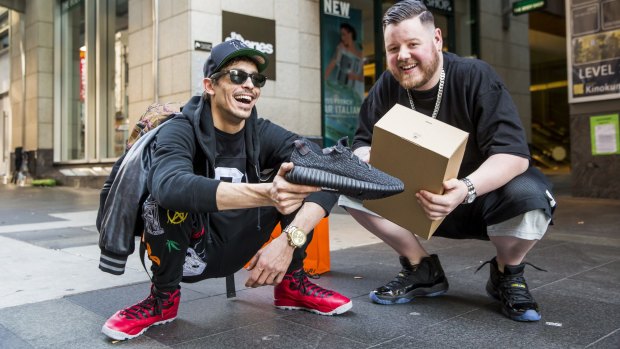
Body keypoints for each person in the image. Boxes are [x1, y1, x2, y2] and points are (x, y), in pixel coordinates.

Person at [101, 39, 352, 341]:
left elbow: (329, 170)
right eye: (237, 76)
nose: (250, 85)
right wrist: (267, 193)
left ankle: (291, 286)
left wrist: (288, 241)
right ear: (210, 85)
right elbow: (168, 185)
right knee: (163, 201)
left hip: (245, 241)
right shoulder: (179, 129)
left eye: (256, 79)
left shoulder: (261, 131)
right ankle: (162, 299)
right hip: (191, 251)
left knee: (307, 173)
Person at [340, 0, 556, 322]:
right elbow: (361, 140)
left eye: (413, 44)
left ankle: (507, 272)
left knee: (530, 197)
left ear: (437, 40)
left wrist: (465, 189)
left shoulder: (475, 76)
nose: (402, 56)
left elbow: (513, 153)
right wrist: (367, 157)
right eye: (393, 47)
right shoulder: (387, 85)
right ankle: (421, 267)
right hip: (418, 200)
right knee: (349, 185)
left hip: (482, 199)